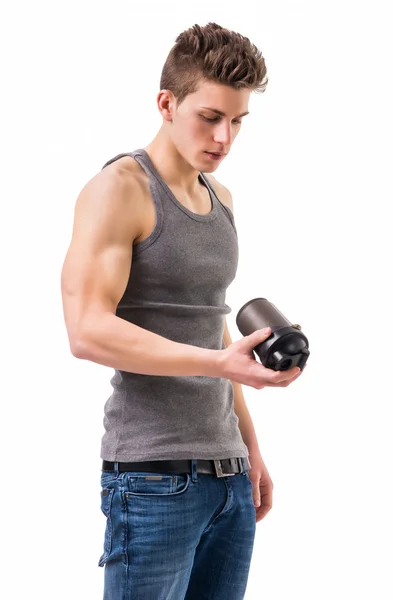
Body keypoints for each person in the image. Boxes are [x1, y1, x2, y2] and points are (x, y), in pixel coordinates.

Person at [61, 21, 303, 600]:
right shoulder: (119, 189)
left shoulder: (221, 198)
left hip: (227, 475)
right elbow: (86, 330)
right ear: (167, 103)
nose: (224, 137)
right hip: (151, 479)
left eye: (238, 121)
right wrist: (221, 364)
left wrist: (250, 450)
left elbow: (215, 328)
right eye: (211, 117)